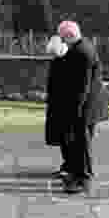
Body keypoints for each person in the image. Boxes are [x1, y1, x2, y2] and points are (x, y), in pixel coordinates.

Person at [57, 21, 108, 194]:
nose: (63, 42)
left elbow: (82, 86)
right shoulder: (81, 46)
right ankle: (78, 175)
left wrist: (75, 110)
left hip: (87, 106)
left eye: (63, 38)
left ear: (69, 36)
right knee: (80, 142)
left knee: (82, 143)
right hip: (88, 103)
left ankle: (84, 179)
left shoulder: (82, 51)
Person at [44, 35, 71, 179]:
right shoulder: (56, 62)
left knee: (67, 138)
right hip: (56, 105)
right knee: (62, 138)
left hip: (63, 106)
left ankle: (69, 167)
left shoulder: (66, 62)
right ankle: (66, 165)